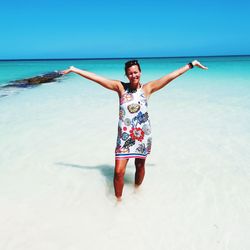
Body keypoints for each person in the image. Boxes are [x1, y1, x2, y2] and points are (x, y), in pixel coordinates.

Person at [62, 59, 208, 201]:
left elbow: (169, 77)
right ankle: (117, 201)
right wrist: (74, 69)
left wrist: (191, 65)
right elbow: (98, 79)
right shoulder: (120, 88)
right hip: (124, 138)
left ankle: (137, 192)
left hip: (142, 136)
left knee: (140, 165)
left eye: (136, 72)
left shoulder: (147, 89)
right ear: (126, 75)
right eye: (130, 73)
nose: (134, 75)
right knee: (119, 171)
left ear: (140, 72)